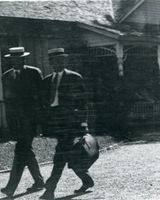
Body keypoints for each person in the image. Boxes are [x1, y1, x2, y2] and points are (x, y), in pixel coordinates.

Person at [40, 48, 97, 199]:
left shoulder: (74, 77)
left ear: (65, 61)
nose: (60, 62)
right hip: (55, 123)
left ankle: (50, 189)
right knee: (68, 155)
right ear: (51, 62)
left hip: (71, 123)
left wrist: (84, 123)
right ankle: (86, 180)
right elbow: (44, 104)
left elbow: (82, 102)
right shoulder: (46, 81)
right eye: (56, 60)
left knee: (59, 155)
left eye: (62, 59)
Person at [1, 47, 44, 197]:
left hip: (31, 121)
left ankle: (10, 188)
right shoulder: (6, 77)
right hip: (16, 123)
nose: (21, 60)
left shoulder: (34, 73)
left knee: (20, 151)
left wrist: (40, 122)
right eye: (17, 58)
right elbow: (7, 102)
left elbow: (41, 99)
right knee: (27, 151)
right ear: (11, 60)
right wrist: (10, 124)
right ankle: (39, 181)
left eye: (23, 58)